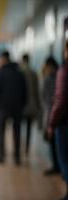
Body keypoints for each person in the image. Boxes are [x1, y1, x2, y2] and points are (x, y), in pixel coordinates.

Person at [0, 51, 26, 165]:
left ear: (4, 59)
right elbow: (24, 90)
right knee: (17, 132)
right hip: (17, 107)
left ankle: (1, 155)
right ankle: (17, 157)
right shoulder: (19, 72)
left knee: (1, 131)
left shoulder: (0, 73)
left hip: (3, 107)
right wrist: (22, 104)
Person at [48, 40, 68, 200]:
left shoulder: (64, 70)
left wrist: (52, 123)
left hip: (64, 122)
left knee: (65, 159)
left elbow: (60, 100)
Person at [41, 56, 60, 175]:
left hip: (53, 115)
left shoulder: (48, 79)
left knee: (53, 143)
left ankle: (56, 166)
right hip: (59, 115)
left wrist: (48, 122)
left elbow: (47, 100)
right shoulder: (59, 76)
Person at [19, 54, 40, 156]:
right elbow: (36, 91)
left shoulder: (20, 72)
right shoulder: (33, 73)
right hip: (31, 104)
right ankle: (27, 148)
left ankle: (19, 148)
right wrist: (38, 106)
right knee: (29, 127)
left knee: (18, 126)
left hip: (21, 105)